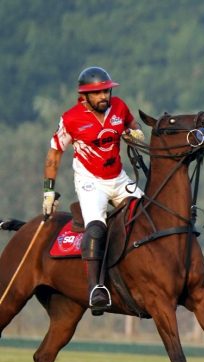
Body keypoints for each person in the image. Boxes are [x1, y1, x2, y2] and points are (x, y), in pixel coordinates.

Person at [43, 66, 145, 315]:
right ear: (85, 96)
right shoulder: (71, 119)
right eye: (98, 93)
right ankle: (95, 288)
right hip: (90, 181)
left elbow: (132, 125)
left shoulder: (119, 107)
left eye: (106, 91)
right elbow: (55, 153)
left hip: (118, 178)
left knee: (146, 214)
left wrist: (135, 133)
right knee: (96, 228)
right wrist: (49, 191)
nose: (104, 97)